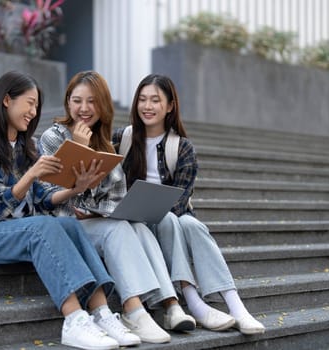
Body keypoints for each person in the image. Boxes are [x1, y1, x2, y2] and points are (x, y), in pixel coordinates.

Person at [0, 70, 135, 350]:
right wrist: (30, 175)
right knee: (44, 225)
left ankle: (102, 313)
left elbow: (43, 198)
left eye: (37, 106)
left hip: (15, 230)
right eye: (29, 103)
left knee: (68, 224)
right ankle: (75, 320)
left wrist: (76, 189)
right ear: (7, 100)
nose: (33, 111)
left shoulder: (26, 148)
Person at [38, 70, 196, 344]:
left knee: (138, 228)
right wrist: (78, 149)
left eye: (92, 102)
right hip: (65, 226)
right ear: (67, 102)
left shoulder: (108, 146)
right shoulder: (53, 137)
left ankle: (169, 304)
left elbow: (116, 196)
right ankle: (133, 310)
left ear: (103, 105)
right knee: (118, 229)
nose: (84, 109)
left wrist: (96, 207)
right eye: (77, 101)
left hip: (93, 221)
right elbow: (49, 193)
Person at [112, 74, 266, 335]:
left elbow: (179, 202)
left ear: (170, 106)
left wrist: (157, 211)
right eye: (142, 99)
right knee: (173, 220)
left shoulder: (182, 148)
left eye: (155, 100)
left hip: (170, 219)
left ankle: (235, 305)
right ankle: (193, 301)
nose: (147, 106)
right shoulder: (121, 139)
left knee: (190, 224)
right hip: (133, 223)